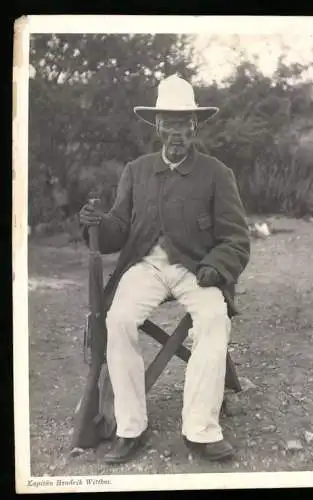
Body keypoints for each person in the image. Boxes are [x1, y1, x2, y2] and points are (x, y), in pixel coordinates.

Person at [80, 74, 251, 464]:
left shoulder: (216, 173)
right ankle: (130, 426)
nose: (177, 131)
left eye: (184, 123)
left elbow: (236, 239)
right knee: (119, 319)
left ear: (195, 127)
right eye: (169, 123)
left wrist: (216, 267)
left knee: (213, 318)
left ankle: (201, 429)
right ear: (157, 126)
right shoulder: (136, 170)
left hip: (197, 267)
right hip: (145, 265)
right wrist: (96, 222)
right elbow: (118, 231)